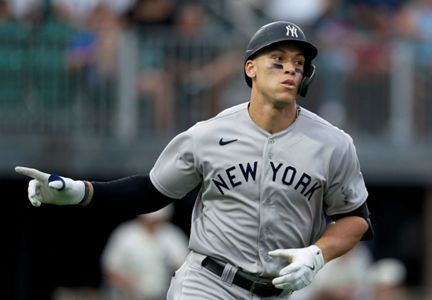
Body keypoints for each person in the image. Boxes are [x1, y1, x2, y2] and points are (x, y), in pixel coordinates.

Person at [15, 20, 374, 299]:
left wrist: (317, 254)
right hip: (209, 283)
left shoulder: (332, 143)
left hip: (284, 290)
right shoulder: (207, 134)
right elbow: (153, 191)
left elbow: (354, 217)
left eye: (298, 63)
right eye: (277, 60)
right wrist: (81, 192)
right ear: (251, 68)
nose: (290, 70)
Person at [101, 204, 190, 300]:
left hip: (162, 296)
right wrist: (127, 282)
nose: (154, 225)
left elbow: (184, 267)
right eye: (150, 222)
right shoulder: (125, 234)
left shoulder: (173, 236)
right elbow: (109, 268)